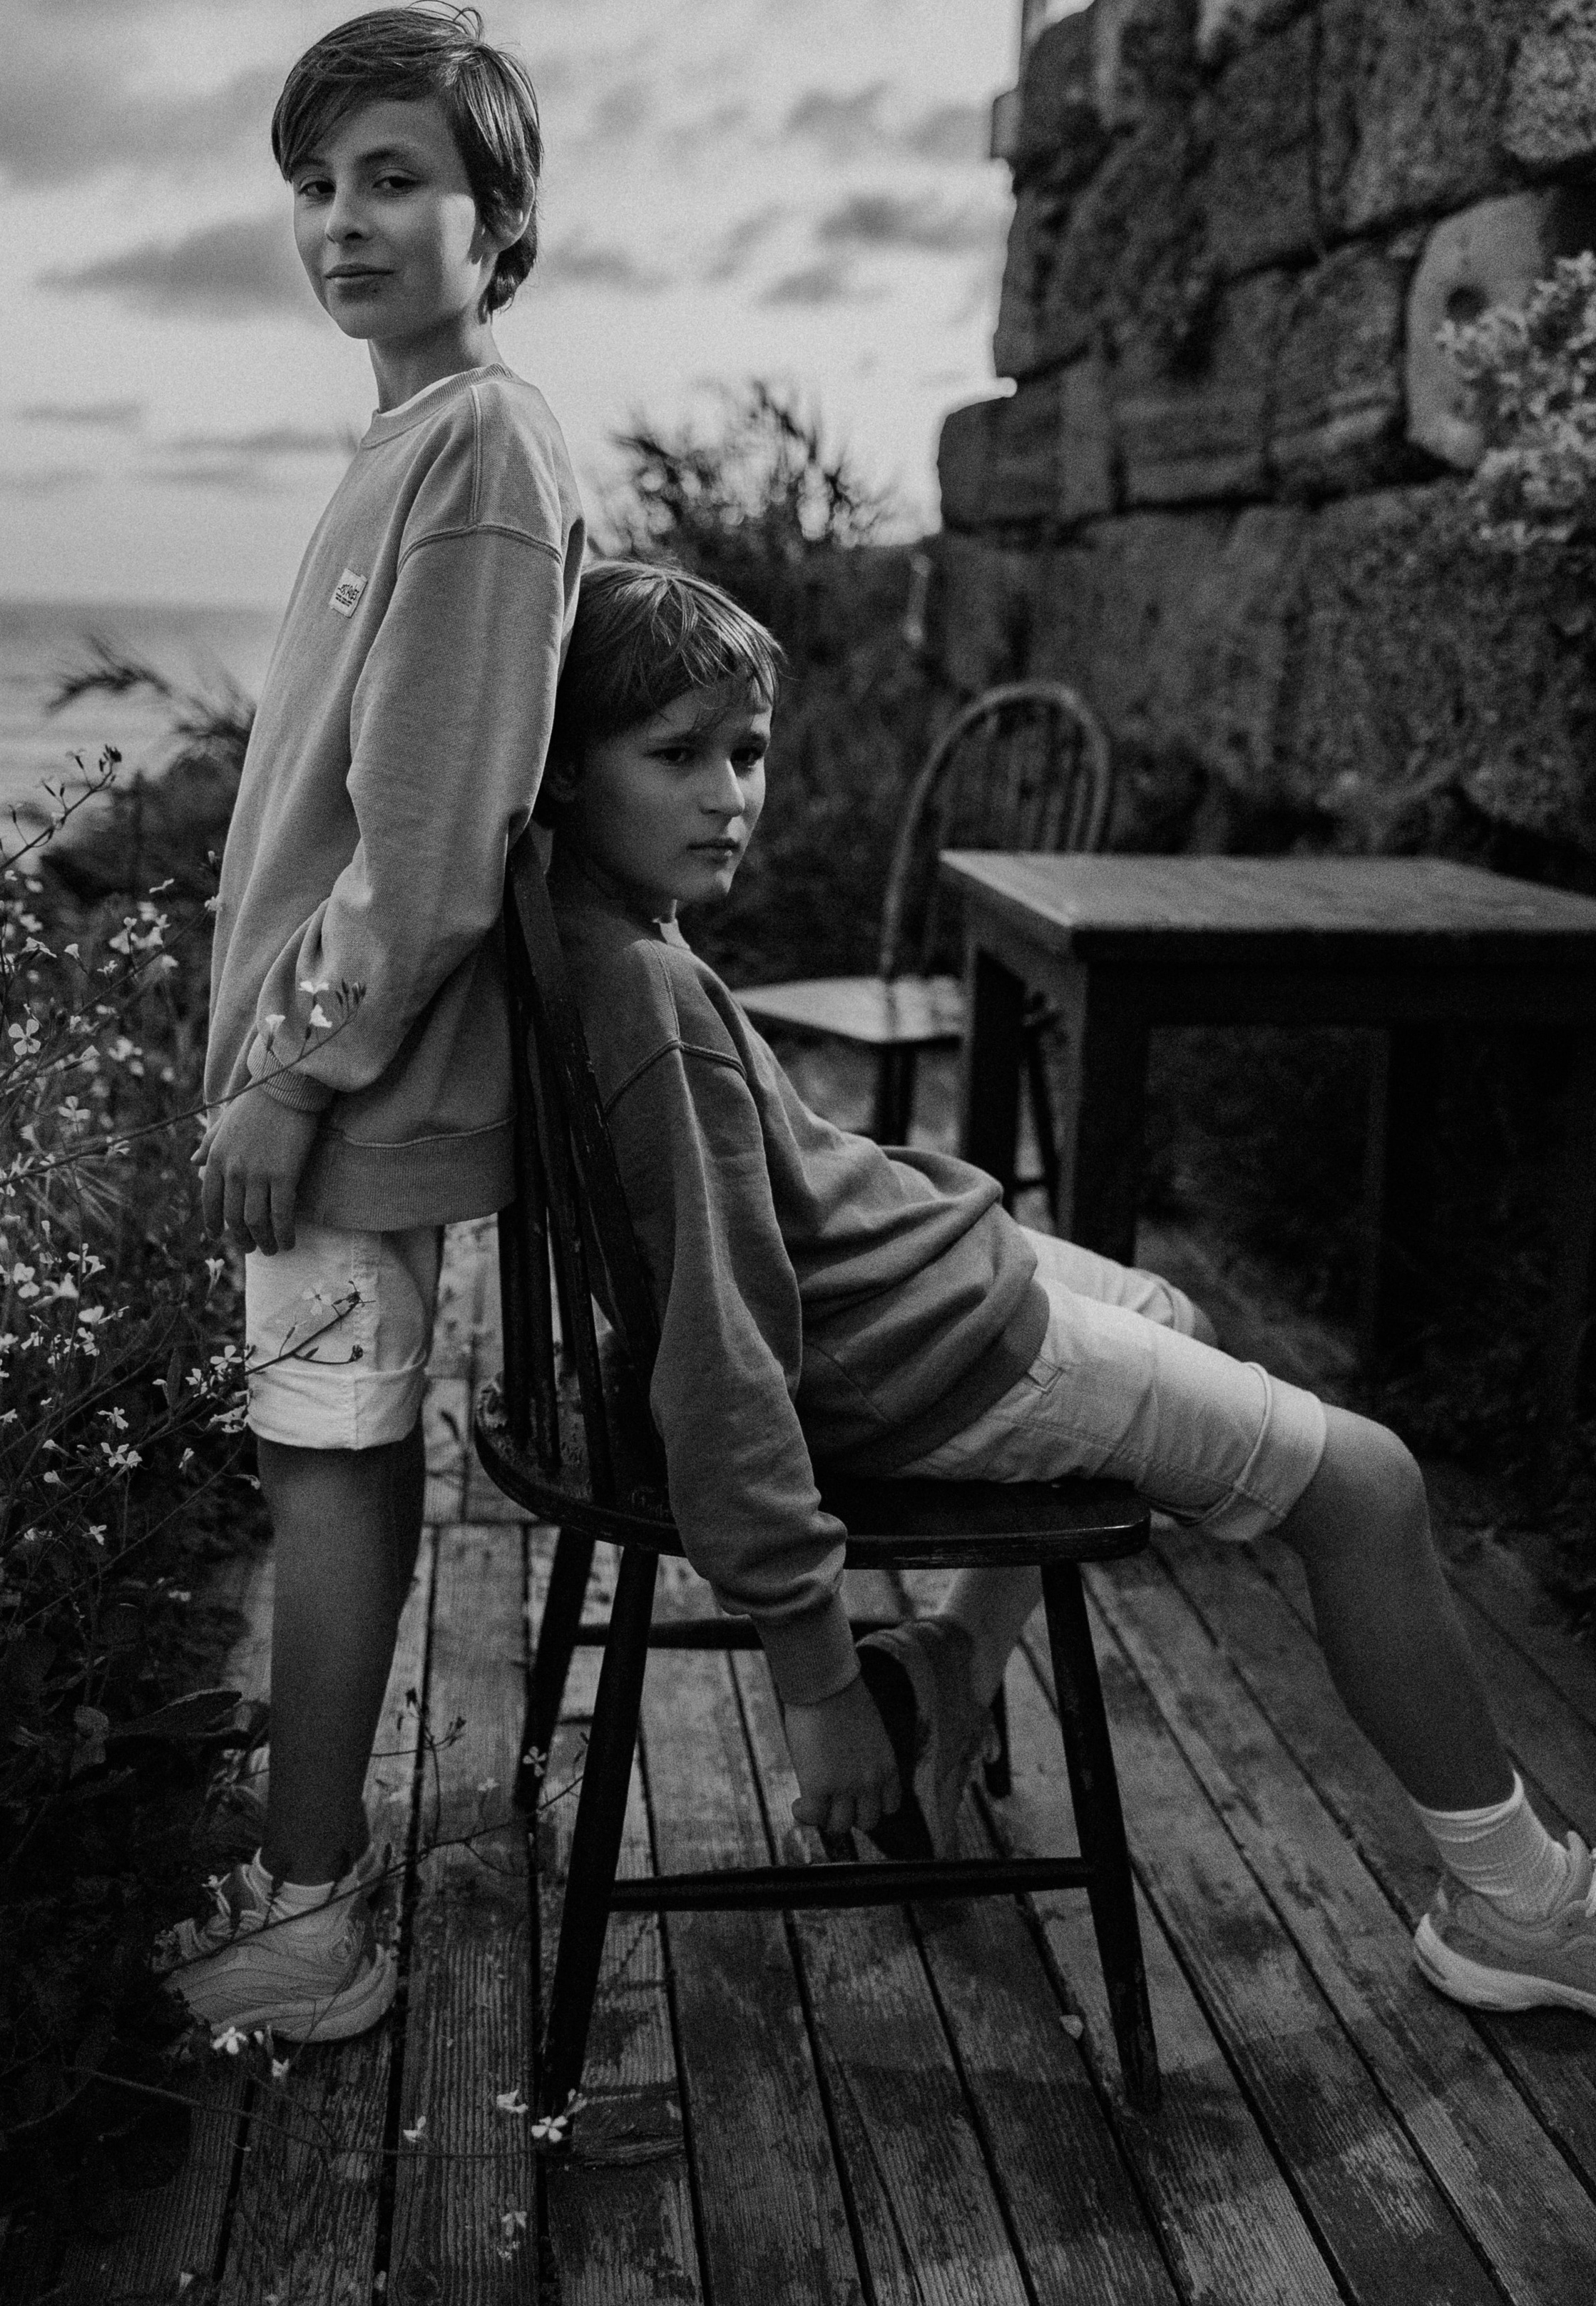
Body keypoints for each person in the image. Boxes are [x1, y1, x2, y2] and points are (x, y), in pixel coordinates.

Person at [538, 558, 1595, 2021]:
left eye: (746, 751)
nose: (729, 794)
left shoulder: (585, 925)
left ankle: (954, 1661)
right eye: (675, 757)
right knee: (1368, 1481)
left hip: (910, 1294)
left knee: (1171, 1313)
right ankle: (1516, 1903)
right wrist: (811, 1662)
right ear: (557, 768)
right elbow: (719, 1346)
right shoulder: (649, 1006)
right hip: (921, 1357)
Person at [158, 6, 586, 2043]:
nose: (341, 218)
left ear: (500, 223)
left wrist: (297, 1071)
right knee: (344, 1456)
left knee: (322, 1473)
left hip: (338, 1094)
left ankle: (312, 1915)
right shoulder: (411, 436)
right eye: (315, 184)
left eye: (395, 176)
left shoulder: (486, 447)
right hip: (321, 1089)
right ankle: (312, 1859)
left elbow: (434, 835)